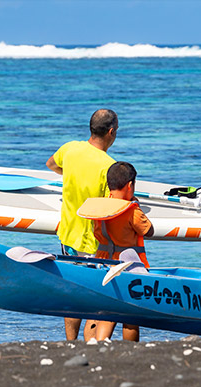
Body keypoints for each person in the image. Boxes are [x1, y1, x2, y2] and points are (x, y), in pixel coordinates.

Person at [46, 109, 117, 340]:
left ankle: (70, 342)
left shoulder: (70, 149)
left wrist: (71, 176)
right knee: (96, 293)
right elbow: (112, 206)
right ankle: (92, 341)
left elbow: (51, 165)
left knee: (72, 290)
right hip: (93, 241)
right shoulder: (109, 166)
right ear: (111, 131)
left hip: (68, 235)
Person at [93, 161, 154, 342]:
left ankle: (100, 345)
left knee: (108, 312)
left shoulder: (99, 207)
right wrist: (138, 208)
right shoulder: (131, 211)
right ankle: (131, 350)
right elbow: (148, 231)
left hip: (104, 264)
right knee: (131, 317)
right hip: (129, 267)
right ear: (130, 185)